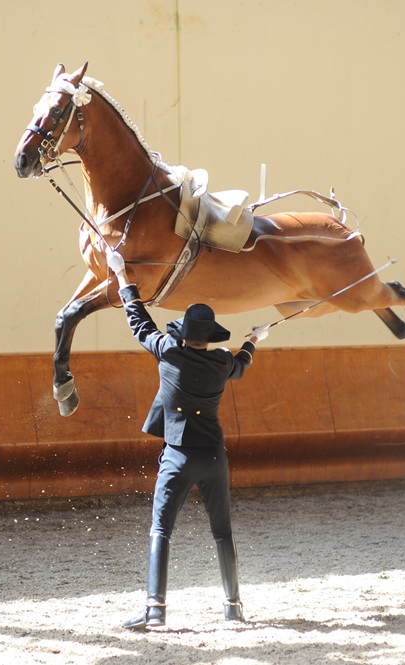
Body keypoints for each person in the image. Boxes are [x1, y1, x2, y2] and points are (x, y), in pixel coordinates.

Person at [106, 248, 270, 630]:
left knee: (161, 529)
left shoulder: (169, 353)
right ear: (209, 338)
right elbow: (241, 365)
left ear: (183, 335)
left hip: (178, 456)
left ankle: (155, 609)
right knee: (222, 531)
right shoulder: (221, 362)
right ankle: (233, 607)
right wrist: (255, 340)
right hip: (214, 457)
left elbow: (140, 323)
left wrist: (121, 276)